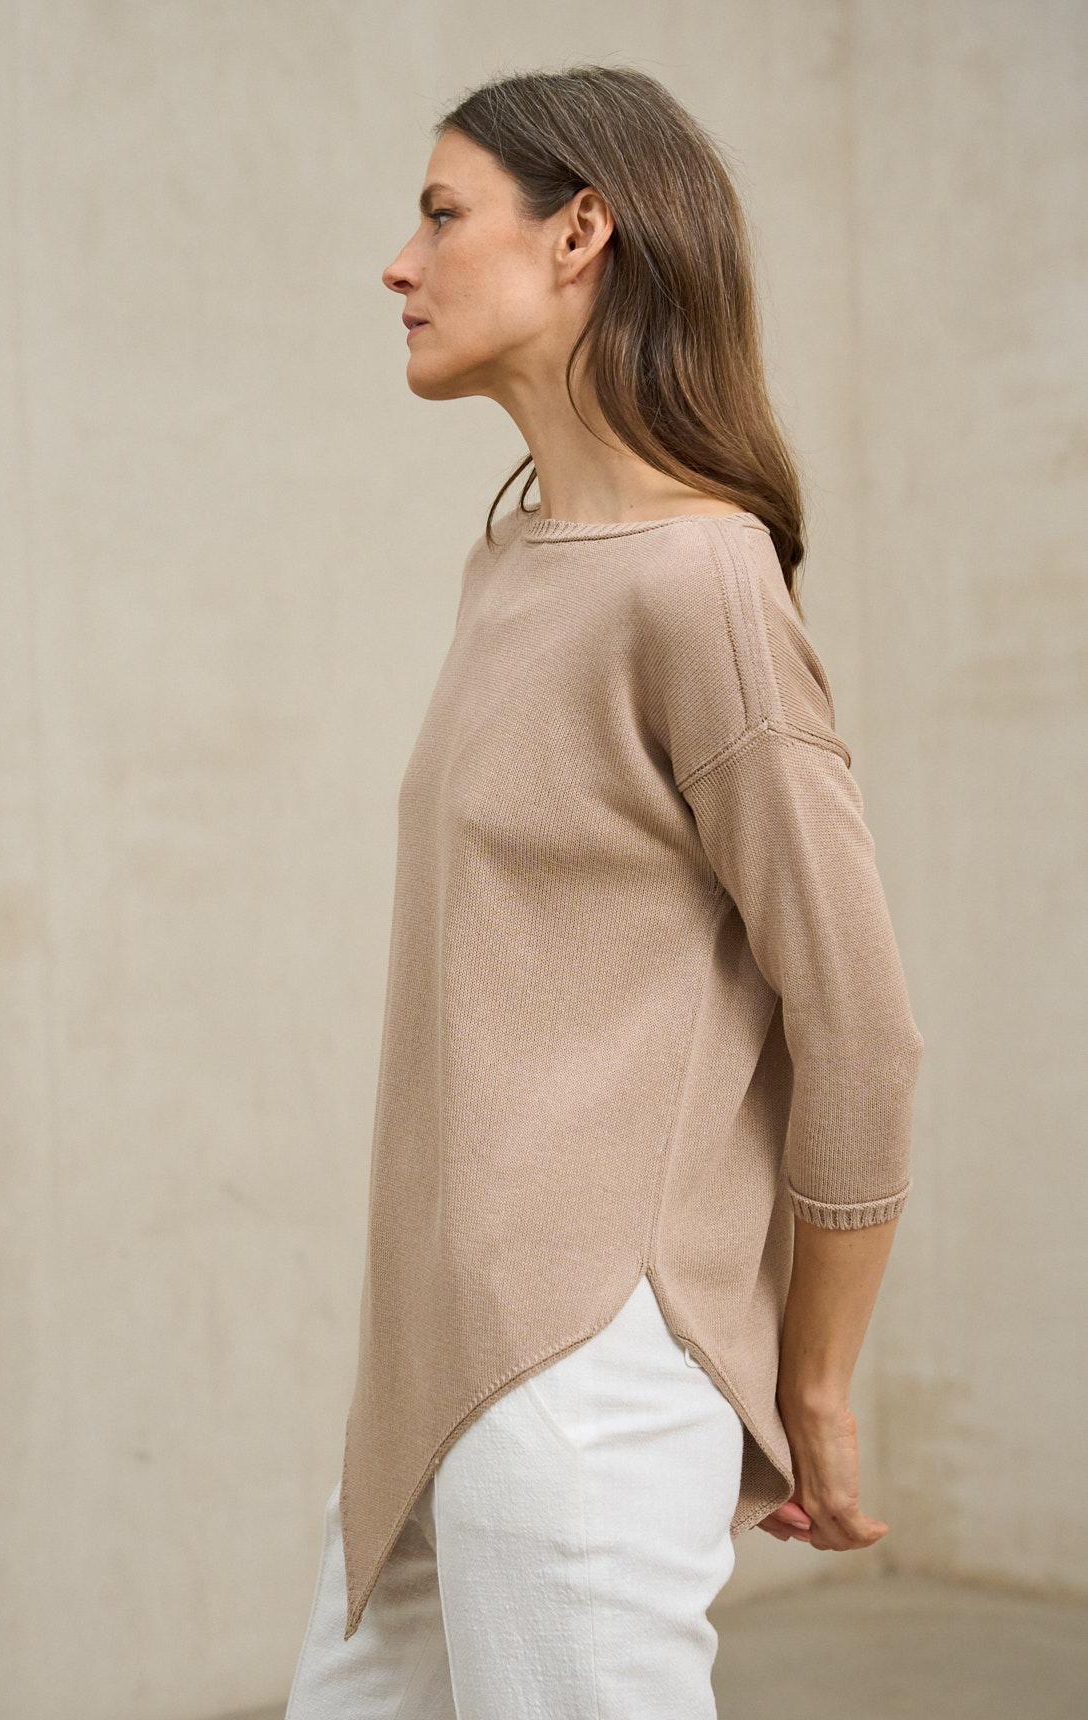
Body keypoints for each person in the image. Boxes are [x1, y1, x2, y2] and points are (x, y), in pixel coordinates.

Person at [284, 63, 925, 1720]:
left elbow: (859, 1025)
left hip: (581, 1373)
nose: (400, 262)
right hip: (430, 1363)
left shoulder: (701, 582)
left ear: (581, 234)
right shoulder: (513, 564)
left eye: (442, 214)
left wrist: (813, 1385)